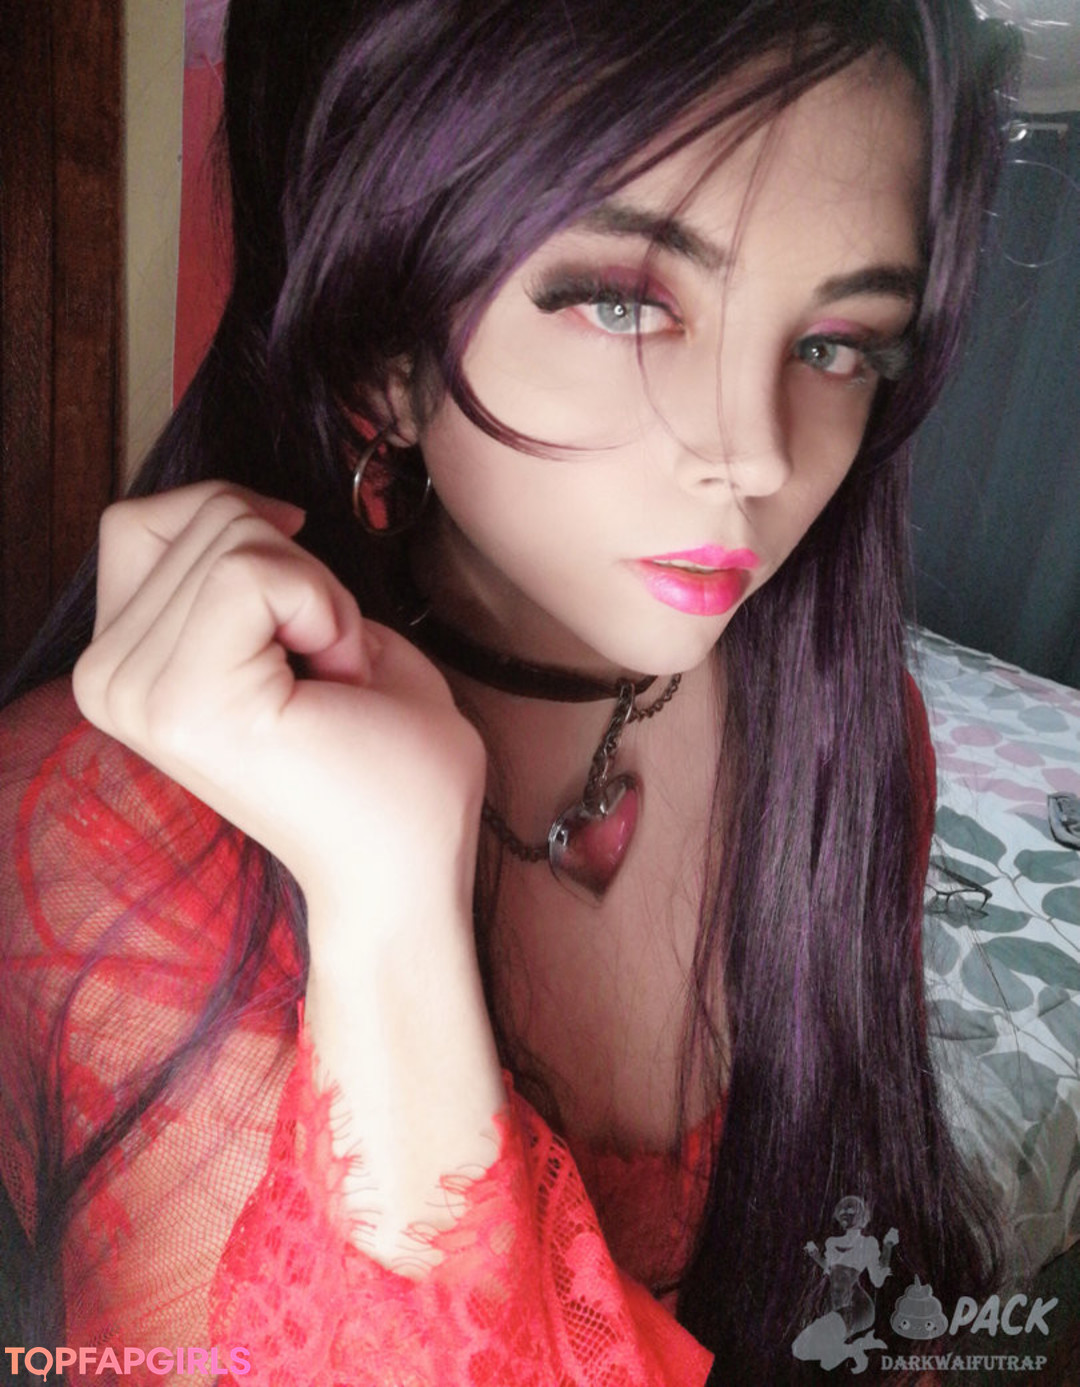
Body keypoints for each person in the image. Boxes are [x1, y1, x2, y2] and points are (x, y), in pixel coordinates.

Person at [0, 2, 1021, 1382]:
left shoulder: (853, 746)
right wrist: (383, 908)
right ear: (385, 351)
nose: (760, 455)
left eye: (838, 343)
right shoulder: (96, 839)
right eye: (624, 303)